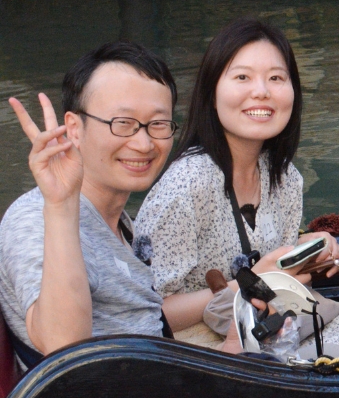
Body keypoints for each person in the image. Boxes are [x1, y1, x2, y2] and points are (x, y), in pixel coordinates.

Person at [135, 18, 339, 360]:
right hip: (199, 351)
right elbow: (149, 316)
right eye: (242, 77)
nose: (261, 91)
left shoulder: (285, 177)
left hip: (272, 328)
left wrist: (305, 252)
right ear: (211, 93)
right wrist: (255, 281)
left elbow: (280, 283)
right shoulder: (185, 184)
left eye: (276, 78)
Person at [0, 42, 205, 367]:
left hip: (156, 382)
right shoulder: (37, 217)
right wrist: (61, 205)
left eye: (158, 124)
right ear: (74, 128)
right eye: (122, 123)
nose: (144, 143)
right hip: (106, 397)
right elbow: (64, 348)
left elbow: (143, 317)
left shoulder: (118, 220)